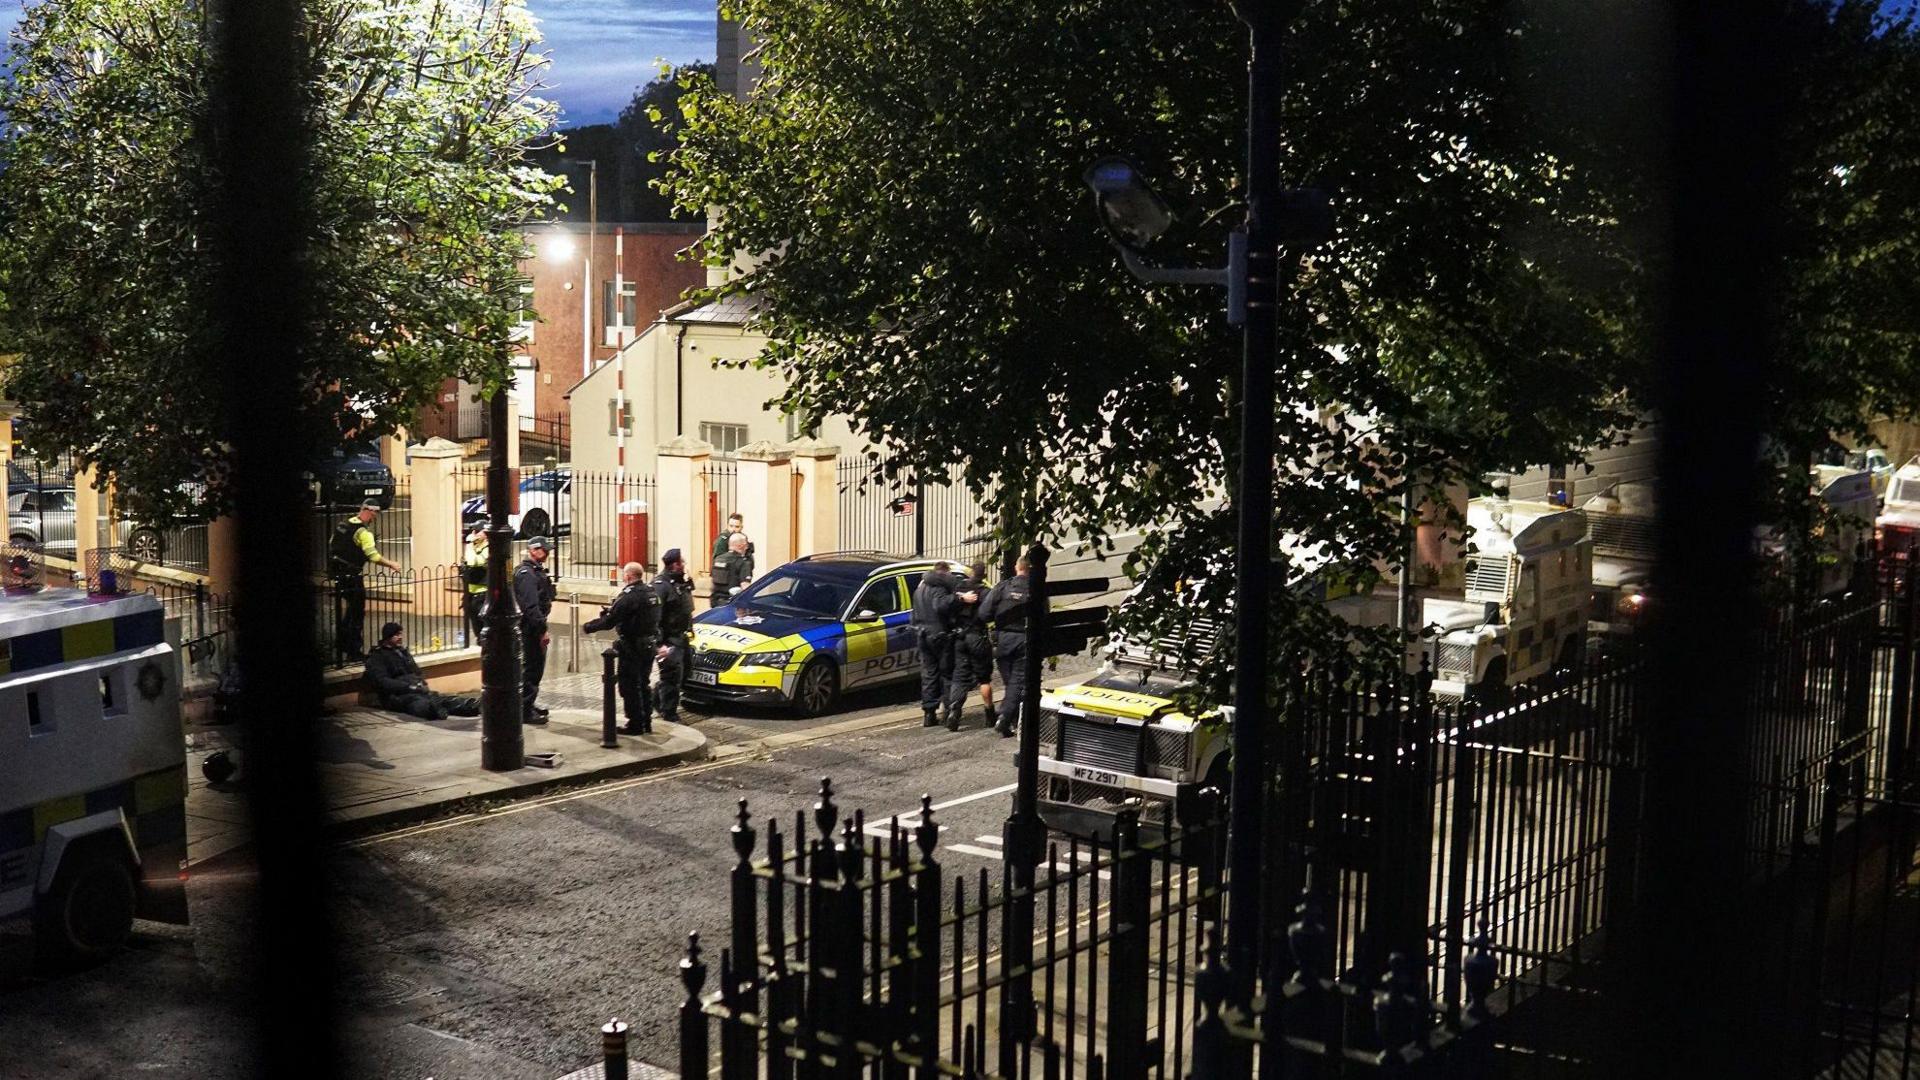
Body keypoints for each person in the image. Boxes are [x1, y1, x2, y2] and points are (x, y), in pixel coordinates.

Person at [584, 561, 662, 734]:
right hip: (649, 645)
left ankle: (635, 724)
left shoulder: (629, 596)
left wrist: (589, 626)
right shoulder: (652, 593)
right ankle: (646, 722)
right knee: (643, 683)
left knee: (629, 685)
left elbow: (610, 621)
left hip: (632, 646)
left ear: (627, 576)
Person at [327, 500, 401, 663]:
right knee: (356, 614)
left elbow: (332, 543)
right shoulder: (363, 533)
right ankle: (353, 651)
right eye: (375, 513)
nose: (375, 516)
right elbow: (373, 556)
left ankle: (341, 644)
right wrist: (392, 564)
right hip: (352, 576)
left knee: (348, 611)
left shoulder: (344, 524)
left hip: (337, 573)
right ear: (370, 511)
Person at [364, 623, 480, 720]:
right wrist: (408, 686)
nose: (400, 637)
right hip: (397, 694)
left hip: (417, 688)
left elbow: (416, 670)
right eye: (396, 635)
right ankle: (433, 710)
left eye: (400, 634)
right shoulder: (377, 656)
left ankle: (468, 706)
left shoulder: (402, 652)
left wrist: (421, 682)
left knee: (439, 698)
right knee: (417, 703)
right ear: (387, 637)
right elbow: (383, 681)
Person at [910, 561, 972, 728]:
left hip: (922, 633)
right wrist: (960, 598)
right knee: (946, 673)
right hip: (939, 634)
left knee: (929, 674)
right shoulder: (937, 586)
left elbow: (914, 613)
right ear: (944, 572)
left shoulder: (920, 588)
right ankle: (948, 711)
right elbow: (941, 605)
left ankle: (929, 714)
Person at [982, 555, 1033, 738]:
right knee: (1017, 683)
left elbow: (984, 613)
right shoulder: (1035, 589)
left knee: (1010, 682)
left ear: (1016, 567)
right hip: (1024, 640)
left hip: (1003, 640)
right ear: (1031, 569)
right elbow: (1044, 616)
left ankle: (1012, 718)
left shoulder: (1003, 587)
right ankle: (1005, 717)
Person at [943, 561, 996, 731]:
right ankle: (989, 714)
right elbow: (989, 615)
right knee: (984, 679)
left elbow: (949, 607)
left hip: (960, 637)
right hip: (977, 637)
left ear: (971, 572)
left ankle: (954, 712)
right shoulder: (986, 592)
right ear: (984, 575)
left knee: (959, 676)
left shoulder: (960, 587)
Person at [513, 536, 558, 724]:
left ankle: (528, 704)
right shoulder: (526, 574)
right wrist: (542, 630)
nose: (547, 553)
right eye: (544, 550)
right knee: (533, 668)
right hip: (531, 627)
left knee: (534, 668)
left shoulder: (534, 571)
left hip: (533, 624)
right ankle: (524, 710)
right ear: (533, 550)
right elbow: (531, 607)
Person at [652, 548, 697, 725]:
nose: (684, 565)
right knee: (671, 676)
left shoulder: (679, 582)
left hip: (682, 636)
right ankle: (669, 713)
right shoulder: (660, 586)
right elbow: (655, 617)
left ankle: (657, 698)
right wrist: (659, 644)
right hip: (669, 640)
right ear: (674, 565)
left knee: (684, 673)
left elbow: (685, 608)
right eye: (682, 563)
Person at [461, 524, 489, 647]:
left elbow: (475, 562)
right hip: (470, 594)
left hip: (483, 595)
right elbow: (467, 561)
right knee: (477, 629)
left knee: (486, 631)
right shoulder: (472, 545)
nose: (475, 533)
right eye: (474, 531)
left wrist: (472, 545)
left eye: (479, 531)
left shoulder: (489, 546)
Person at [710, 532, 752, 609]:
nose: (747, 548)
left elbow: (713, 580)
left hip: (715, 603)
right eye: (746, 545)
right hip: (732, 604)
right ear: (741, 545)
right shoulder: (743, 562)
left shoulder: (718, 559)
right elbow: (745, 587)